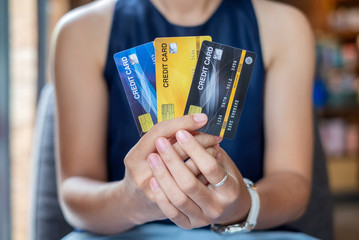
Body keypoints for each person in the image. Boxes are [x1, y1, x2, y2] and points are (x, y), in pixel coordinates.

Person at [53, 0, 315, 239]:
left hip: (245, 232)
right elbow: (75, 193)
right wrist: (130, 202)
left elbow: (293, 184)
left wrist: (242, 205)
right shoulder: (82, 30)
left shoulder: (285, 27)